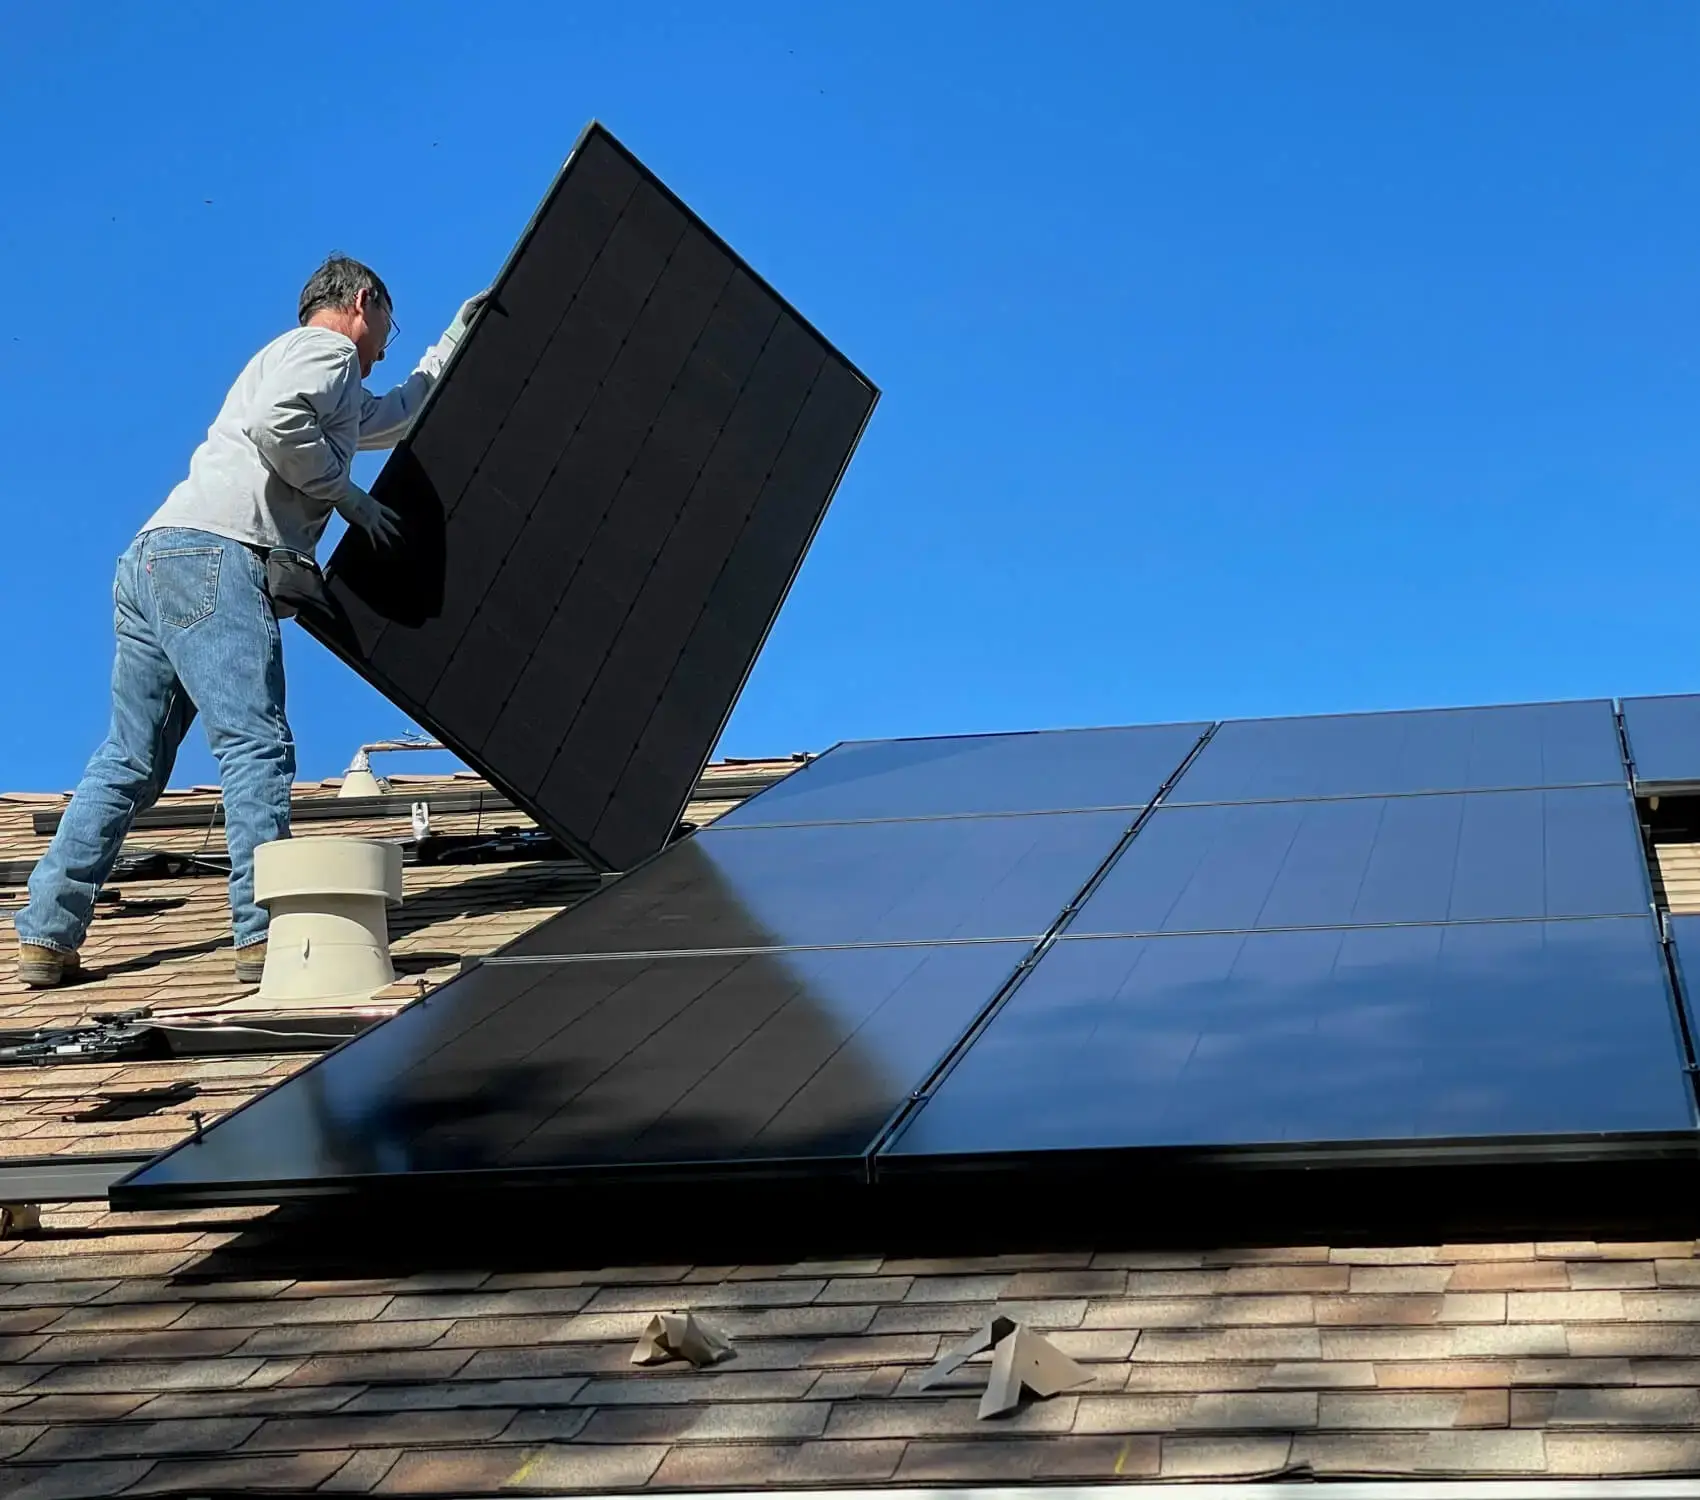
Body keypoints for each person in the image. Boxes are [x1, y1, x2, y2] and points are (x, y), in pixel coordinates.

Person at [13, 255, 486, 989]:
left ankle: (47, 932)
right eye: (391, 324)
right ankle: (263, 937)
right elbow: (278, 425)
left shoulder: (303, 367)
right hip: (216, 555)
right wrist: (348, 499)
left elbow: (394, 415)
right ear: (364, 302)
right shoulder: (325, 351)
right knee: (255, 745)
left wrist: (454, 340)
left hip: (152, 560)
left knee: (128, 763)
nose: (388, 343)